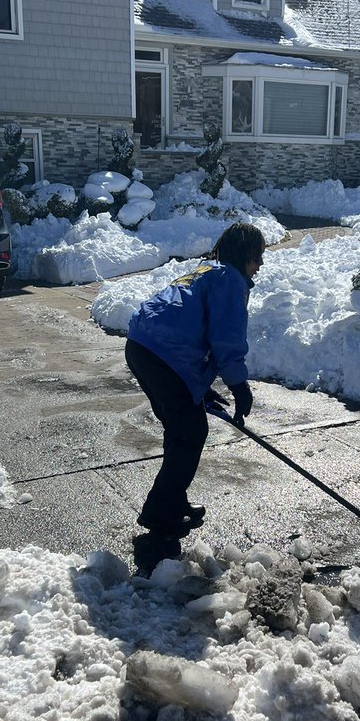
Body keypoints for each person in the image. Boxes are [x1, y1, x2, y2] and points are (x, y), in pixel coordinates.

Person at [125, 221, 265, 537]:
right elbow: (225, 338)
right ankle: (160, 511)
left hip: (141, 345)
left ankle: (173, 502)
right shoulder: (230, 281)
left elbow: (189, 327)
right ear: (243, 254)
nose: (260, 264)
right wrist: (240, 387)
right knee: (190, 432)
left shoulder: (208, 271)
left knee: (182, 429)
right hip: (161, 353)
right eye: (257, 256)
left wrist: (197, 386)